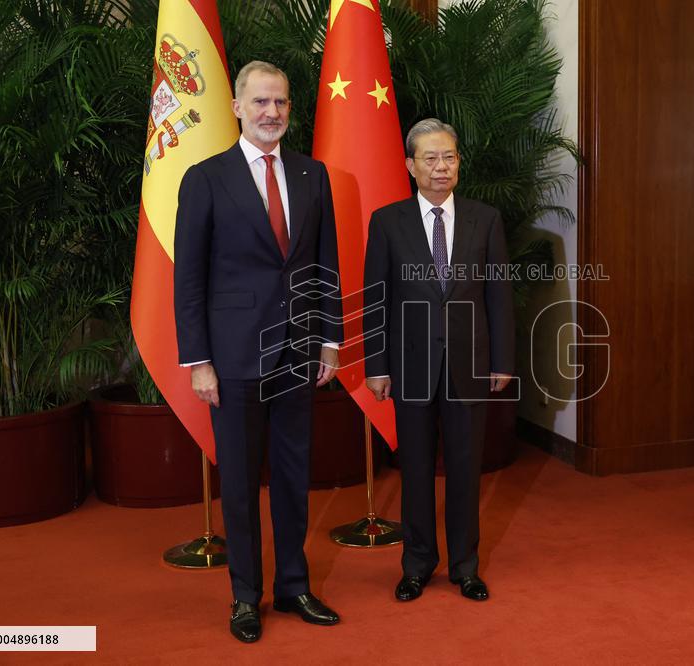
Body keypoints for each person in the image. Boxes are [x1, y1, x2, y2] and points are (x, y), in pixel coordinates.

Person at [174, 61, 343, 643]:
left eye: (282, 102)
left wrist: (329, 341)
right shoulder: (205, 178)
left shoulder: (313, 175)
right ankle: (246, 596)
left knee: (296, 477)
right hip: (233, 357)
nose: (273, 112)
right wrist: (199, 361)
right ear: (238, 108)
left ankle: (294, 586)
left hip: (299, 352)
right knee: (241, 484)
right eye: (262, 102)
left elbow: (324, 264)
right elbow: (189, 278)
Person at [363, 118, 515, 603]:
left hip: (469, 365)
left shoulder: (485, 218)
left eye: (449, 156)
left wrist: (503, 361)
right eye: (430, 158)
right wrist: (376, 364)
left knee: (467, 471)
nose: (441, 166)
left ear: (459, 162)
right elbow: (376, 299)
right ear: (411, 166)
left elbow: (499, 296)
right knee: (415, 472)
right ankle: (417, 564)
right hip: (408, 366)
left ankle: (465, 567)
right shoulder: (388, 221)